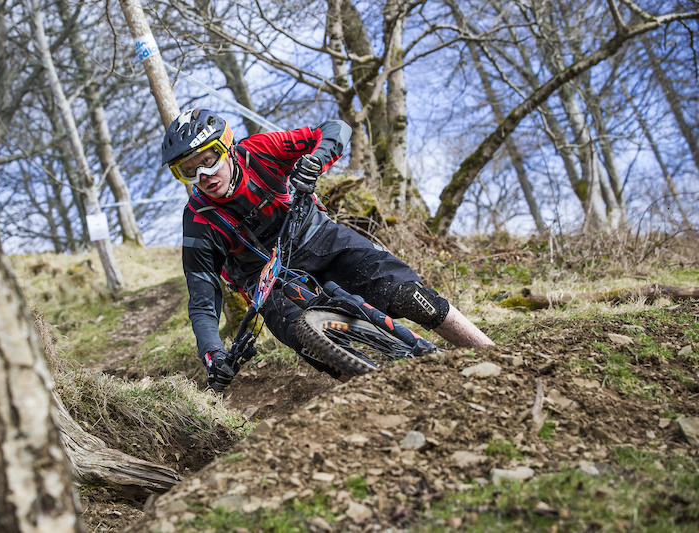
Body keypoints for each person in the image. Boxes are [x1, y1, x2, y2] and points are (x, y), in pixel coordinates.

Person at [160, 108, 493, 391]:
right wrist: (213, 354)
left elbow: (335, 129)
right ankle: (381, 395)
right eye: (188, 172)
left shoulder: (259, 150)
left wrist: (317, 160)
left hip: (318, 238)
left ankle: (495, 356)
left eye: (209, 160)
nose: (204, 175)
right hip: (266, 282)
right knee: (306, 339)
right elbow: (203, 301)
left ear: (227, 148)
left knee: (408, 293)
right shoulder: (198, 222)